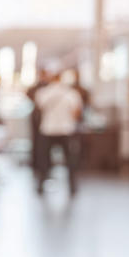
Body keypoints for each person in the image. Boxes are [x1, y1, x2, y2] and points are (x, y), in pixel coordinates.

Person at [34, 68, 84, 196]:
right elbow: (76, 113)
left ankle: (41, 185)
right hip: (66, 130)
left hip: (48, 129)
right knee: (70, 160)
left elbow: (39, 108)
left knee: (44, 160)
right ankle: (72, 186)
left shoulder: (43, 93)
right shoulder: (72, 94)